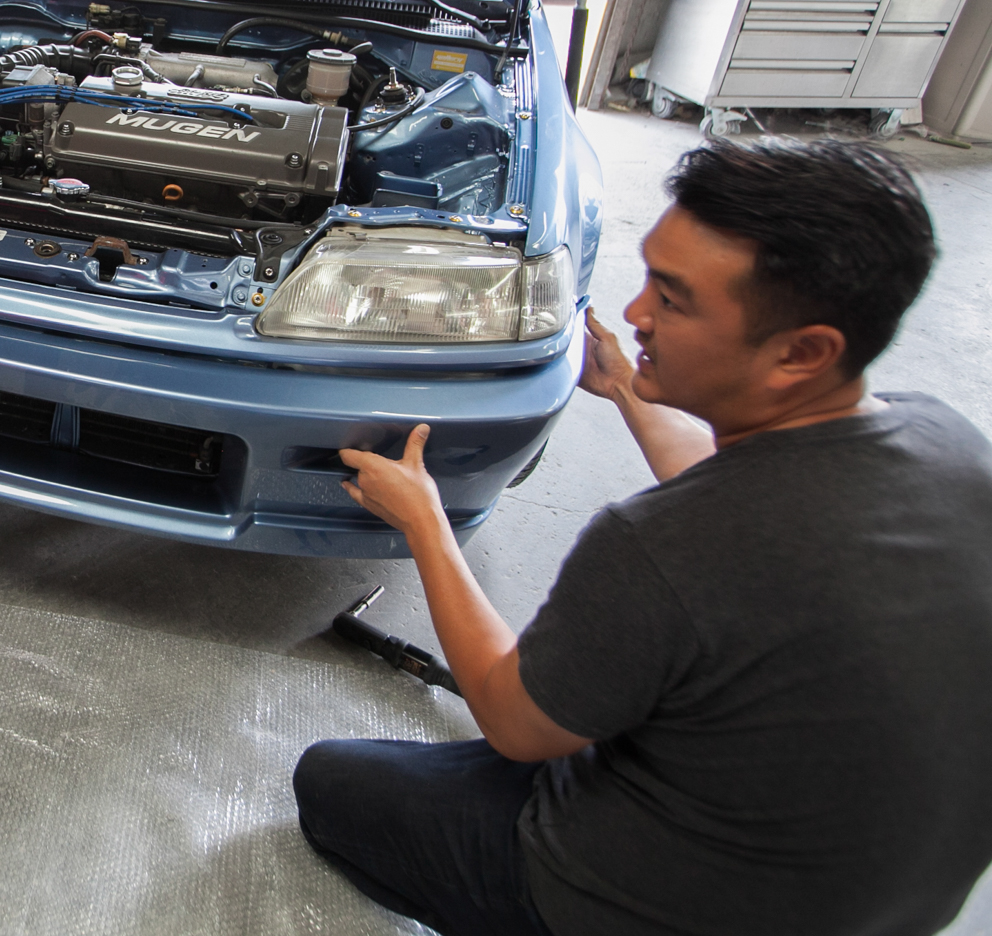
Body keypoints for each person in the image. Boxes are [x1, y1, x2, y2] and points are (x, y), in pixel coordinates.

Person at [291, 137, 992, 936]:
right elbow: (749, 492)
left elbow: (515, 726)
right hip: (877, 899)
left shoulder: (662, 546)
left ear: (802, 352)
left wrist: (426, 520)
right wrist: (628, 389)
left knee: (332, 782)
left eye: (674, 299)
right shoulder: (947, 439)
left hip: (645, 903)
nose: (636, 314)